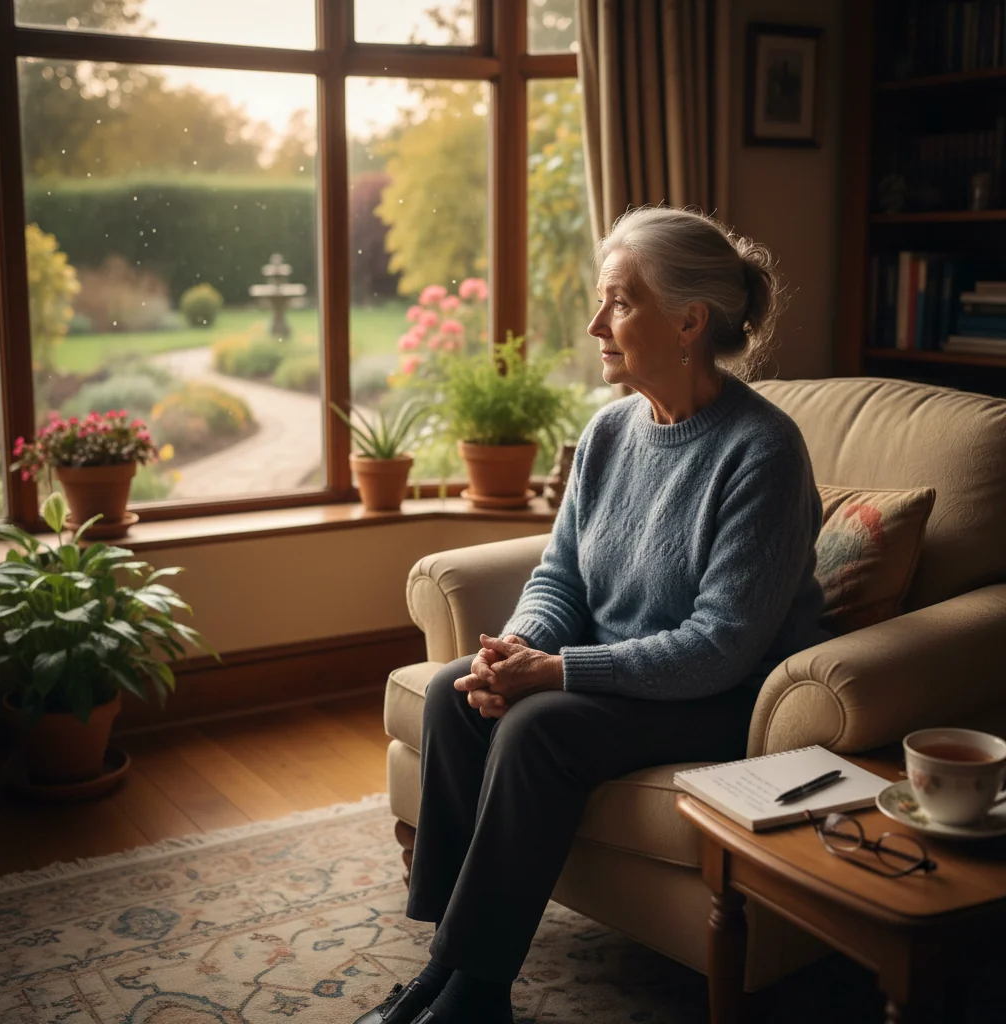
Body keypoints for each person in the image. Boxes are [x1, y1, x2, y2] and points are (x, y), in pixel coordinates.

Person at [353, 206, 830, 1024]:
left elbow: (719, 645)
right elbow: (561, 575)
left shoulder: (764, 451)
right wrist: (521, 646)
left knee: (539, 729)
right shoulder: (610, 430)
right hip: (621, 679)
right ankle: (455, 975)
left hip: (719, 698)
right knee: (453, 693)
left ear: (687, 321)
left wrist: (558, 670)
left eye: (618, 302)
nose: (594, 323)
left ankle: (467, 990)